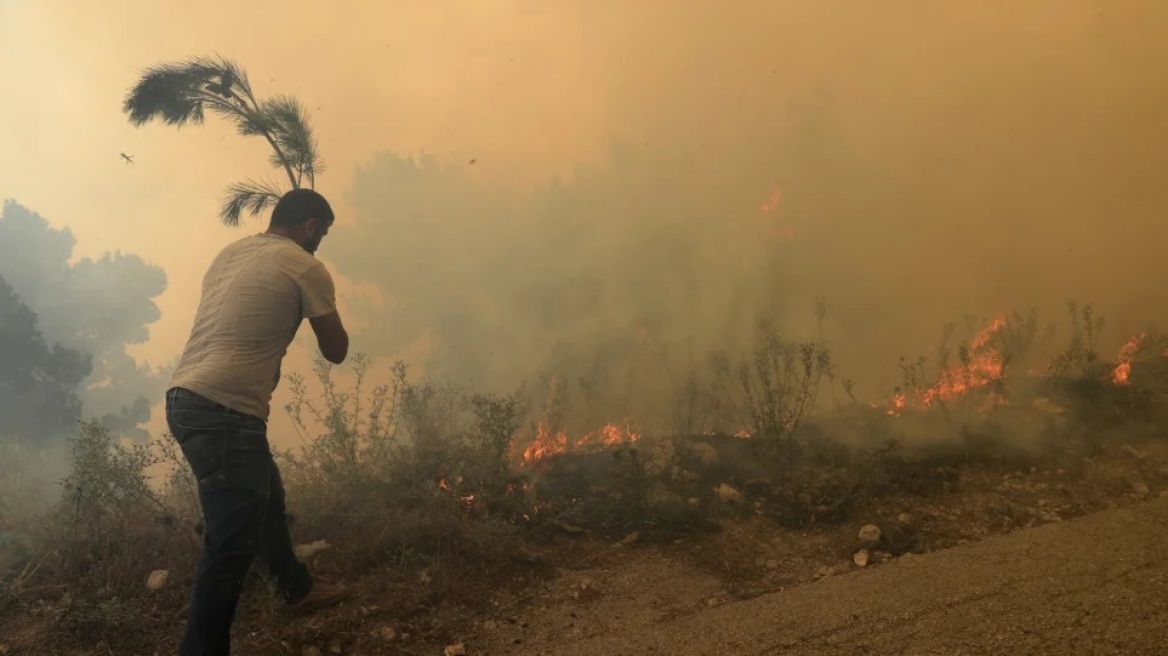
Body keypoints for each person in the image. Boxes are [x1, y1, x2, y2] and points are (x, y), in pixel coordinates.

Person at [165, 188, 352, 656]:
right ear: (309, 226)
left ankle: (298, 589)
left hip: (185, 396)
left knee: (264, 499)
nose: (320, 242)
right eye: (322, 233)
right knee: (231, 544)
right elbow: (337, 351)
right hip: (226, 408)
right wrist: (324, 294)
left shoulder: (232, 253)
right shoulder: (304, 265)